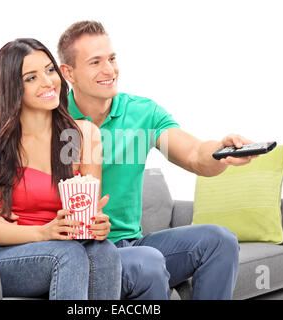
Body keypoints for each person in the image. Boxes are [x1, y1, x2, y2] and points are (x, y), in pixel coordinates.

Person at [56, 21, 259, 300]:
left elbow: (193, 154)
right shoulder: (52, 121)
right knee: (146, 262)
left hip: (134, 244)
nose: (109, 70)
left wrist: (220, 152)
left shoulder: (142, 114)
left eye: (112, 59)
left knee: (219, 241)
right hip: (84, 251)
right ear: (68, 72)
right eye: (95, 62)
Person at [0, 38, 121, 300]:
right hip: (9, 253)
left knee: (104, 251)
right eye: (31, 78)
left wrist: (98, 224)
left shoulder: (84, 135)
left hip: (65, 246)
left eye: (50, 70)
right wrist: (43, 232)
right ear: (12, 87)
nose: (48, 82)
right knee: (68, 254)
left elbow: (89, 214)